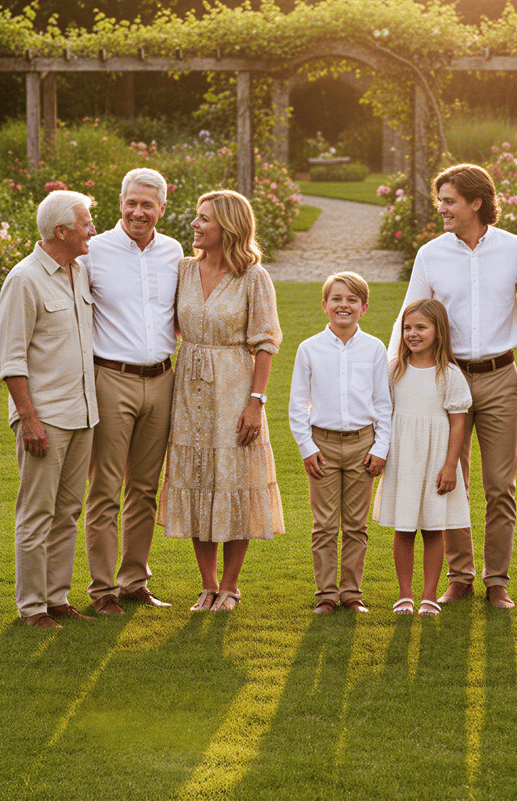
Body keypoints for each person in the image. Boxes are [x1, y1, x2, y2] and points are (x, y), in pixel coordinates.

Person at [391, 163, 517, 608]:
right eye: (441, 201)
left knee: (500, 485)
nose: (442, 208)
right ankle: (460, 577)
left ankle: (497, 582)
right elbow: (409, 314)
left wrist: (504, 324)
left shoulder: (516, 249)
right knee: (449, 479)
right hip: (446, 379)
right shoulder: (430, 254)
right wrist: (392, 372)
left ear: (476, 203)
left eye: (449, 201)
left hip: (500, 379)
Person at [158, 189, 284, 612]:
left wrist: (256, 402)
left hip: (234, 390)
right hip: (188, 392)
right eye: (197, 217)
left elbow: (265, 343)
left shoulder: (253, 277)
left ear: (228, 226)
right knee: (197, 479)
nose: (194, 224)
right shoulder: (182, 270)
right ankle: (208, 585)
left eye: (204, 218)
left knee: (234, 482)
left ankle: (230, 586)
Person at [0, 190, 99, 629]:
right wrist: (29, 420)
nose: (93, 230)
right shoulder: (24, 279)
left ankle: (57, 598)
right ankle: (32, 608)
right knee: (37, 513)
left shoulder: (80, 271)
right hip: (45, 419)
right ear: (61, 231)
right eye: (86, 223)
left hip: (84, 414)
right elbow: (11, 359)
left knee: (68, 512)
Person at [82, 168, 183, 616]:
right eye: (132, 203)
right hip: (111, 379)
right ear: (120, 203)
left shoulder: (174, 252)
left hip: (162, 381)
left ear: (162, 208)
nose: (138, 212)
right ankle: (102, 590)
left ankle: (134, 582)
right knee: (105, 489)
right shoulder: (94, 251)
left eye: (147, 205)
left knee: (144, 489)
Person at [288, 271, 391, 616]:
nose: (343, 305)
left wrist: (380, 448)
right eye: (336, 299)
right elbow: (297, 404)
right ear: (325, 305)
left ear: (363, 307)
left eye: (352, 300)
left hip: (363, 445)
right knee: (325, 525)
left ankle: (351, 594)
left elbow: (383, 403)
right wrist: (307, 448)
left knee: (356, 526)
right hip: (323, 446)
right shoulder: (309, 349)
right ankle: (326, 596)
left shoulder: (374, 348)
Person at [376, 299, 471, 616]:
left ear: (438, 332)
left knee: (433, 528)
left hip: (436, 461)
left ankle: (429, 595)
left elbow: (458, 423)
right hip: (403, 460)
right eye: (407, 328)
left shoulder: (450, 374)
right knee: (403, 528)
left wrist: (450, 465)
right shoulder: (394, 370)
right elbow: (383, 413)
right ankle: (405, 594)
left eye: (420, 327)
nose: (412, 334)